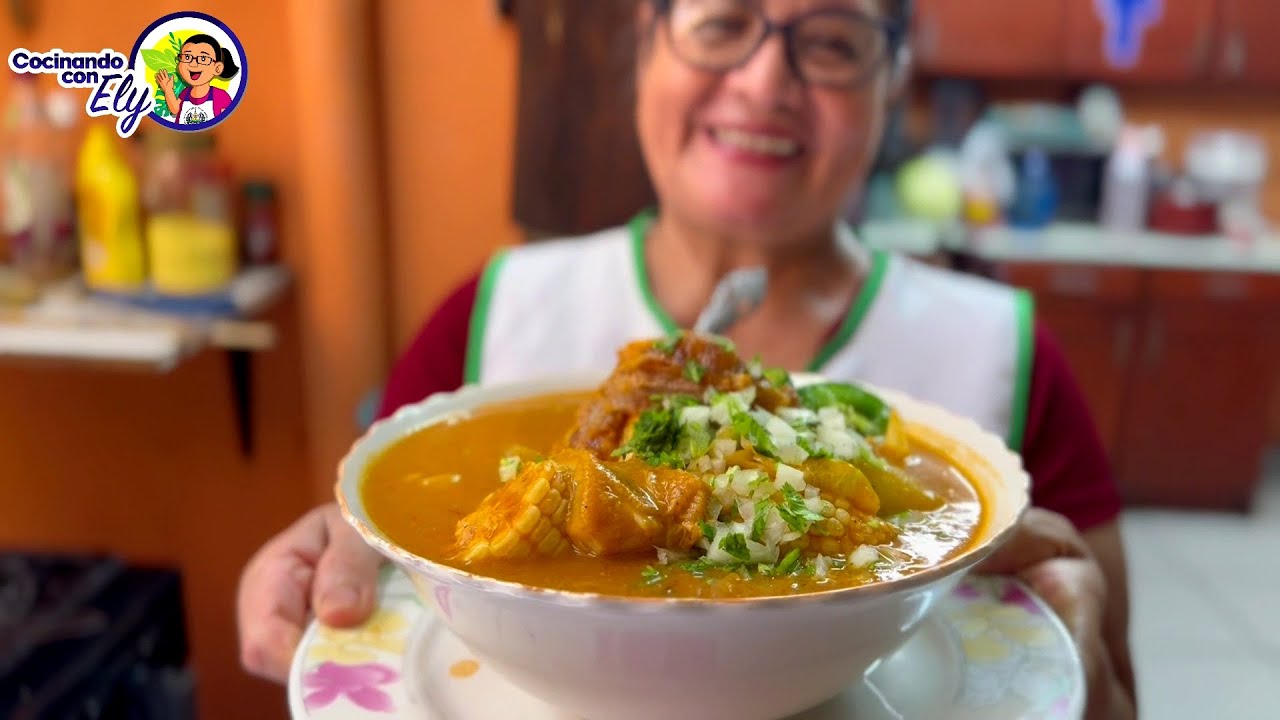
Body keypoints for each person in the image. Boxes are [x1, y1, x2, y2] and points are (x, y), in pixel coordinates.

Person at [237, 1, 1136, 717]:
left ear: (894, 79)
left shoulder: (1013, 358)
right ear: (646, 44)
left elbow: (1121, 694)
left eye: (831, 41)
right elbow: (389, 557)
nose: (763, 80)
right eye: (722, 23)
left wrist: (1067, 674)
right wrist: (344, 567)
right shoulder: (483, 315)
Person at [155, 33, 239, 125]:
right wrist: (168, 89)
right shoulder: (185, 93)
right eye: (187, 57)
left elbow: (228, 124)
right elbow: (175, 110)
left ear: (217, 68)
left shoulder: (220, 96)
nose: (193, 64)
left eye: (203, 58)